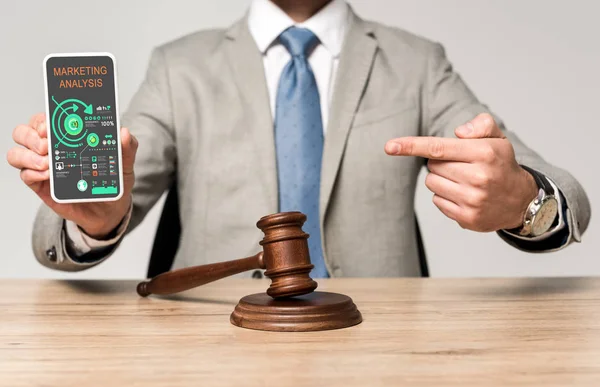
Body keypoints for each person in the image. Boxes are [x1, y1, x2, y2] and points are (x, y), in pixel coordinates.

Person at [7, 0, 590, 278]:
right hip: (211, 355)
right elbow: (58, 234)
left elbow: (569, 197)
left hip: (382, 354)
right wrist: (96, 220)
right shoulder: (178, 67)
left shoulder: (417, 63)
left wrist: (522, 201)